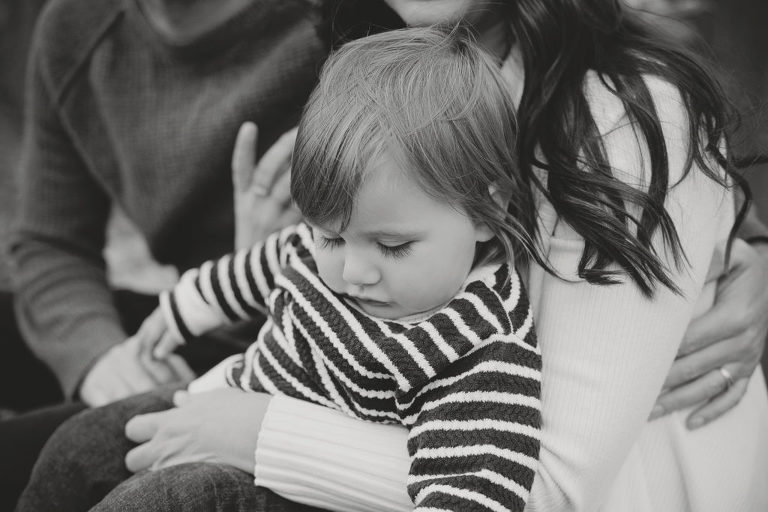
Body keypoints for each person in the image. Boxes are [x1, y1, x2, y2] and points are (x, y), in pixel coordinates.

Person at [6, 0, 768, 510]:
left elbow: (550, 485)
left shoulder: (620, 119)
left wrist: (257, 430)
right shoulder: (376, 54)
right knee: (76, 451)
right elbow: (302, 268)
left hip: (562, 475)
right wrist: (196, 370)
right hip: (338, 388)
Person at [19, 27, 545, 510]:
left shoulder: (479, 346)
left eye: (393, 246)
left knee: (155, 502)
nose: (353, 272)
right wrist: (185, 307)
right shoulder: (328, 248)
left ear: (486, 210)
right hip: (239, 393)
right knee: (79, 446)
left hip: (302, 490)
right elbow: (262, 264)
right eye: (330, 237)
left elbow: (476, 490)